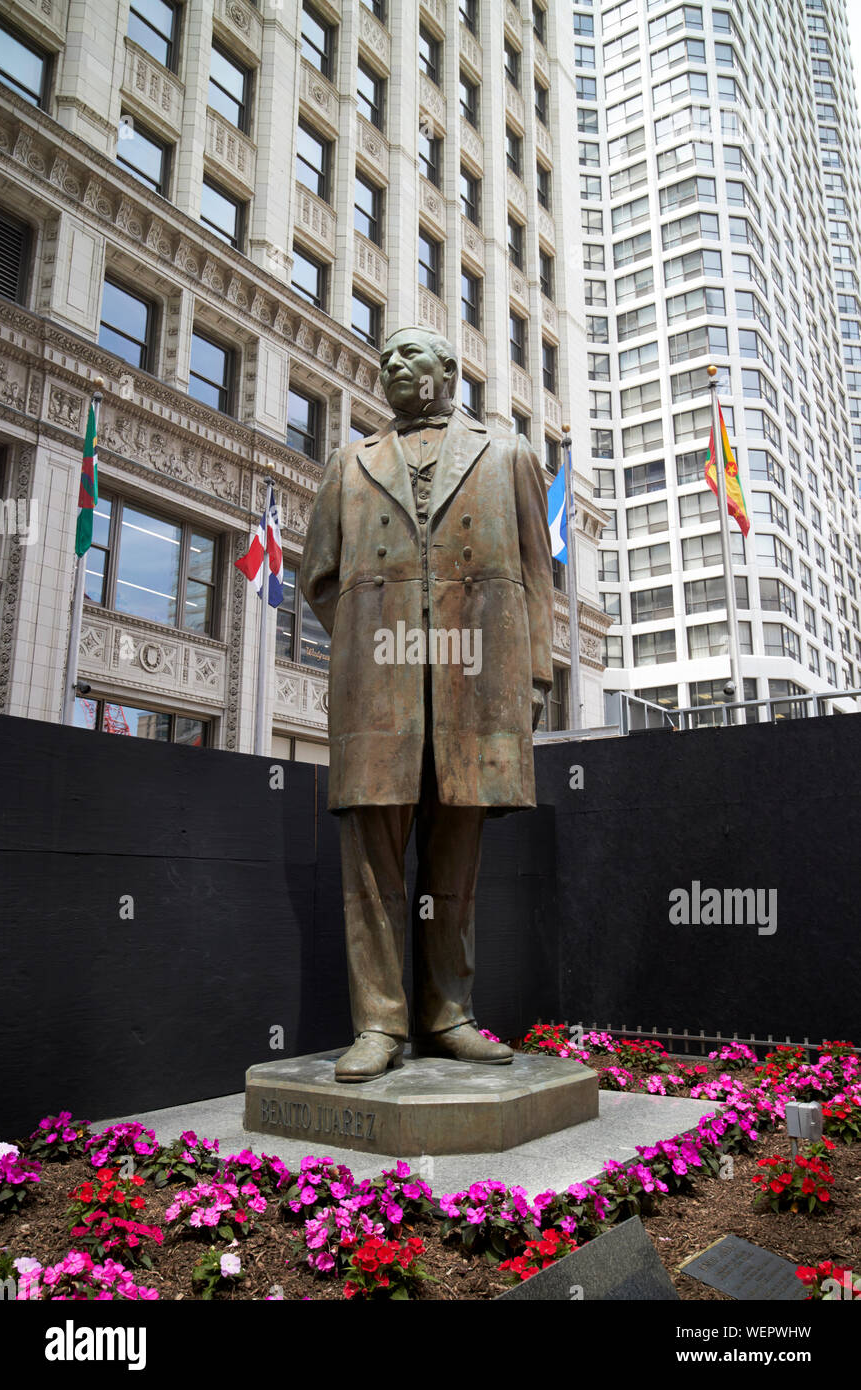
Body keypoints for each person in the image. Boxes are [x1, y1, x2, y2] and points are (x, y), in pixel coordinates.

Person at [300, 326, 553, 1082]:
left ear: (448, 370)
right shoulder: (349, 464)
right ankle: (379, 1023)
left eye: (408, 356)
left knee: (454, 871)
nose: (392, 369)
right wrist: (374, 636)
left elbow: (539, 579)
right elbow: (319, 578)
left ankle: (449, 1015)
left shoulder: (508, 457)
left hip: (473, 688)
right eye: (383, 361)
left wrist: (532, 678)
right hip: (378, 691)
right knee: (371, 873)